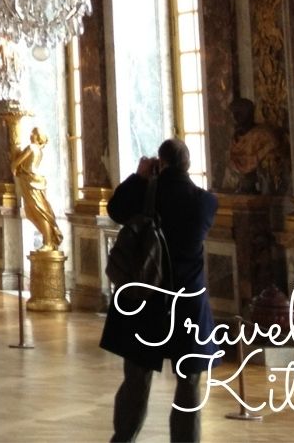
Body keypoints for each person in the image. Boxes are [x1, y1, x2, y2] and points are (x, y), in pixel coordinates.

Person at [100, 138, 220, 442]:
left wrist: (140, 178)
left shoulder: (144, 195)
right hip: (188, 303)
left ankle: (123, 439)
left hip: (145, 299)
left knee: (137, 378)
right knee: (189, 382)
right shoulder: (206, 202)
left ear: (160, 163)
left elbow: (115, 210)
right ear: (188, 165)